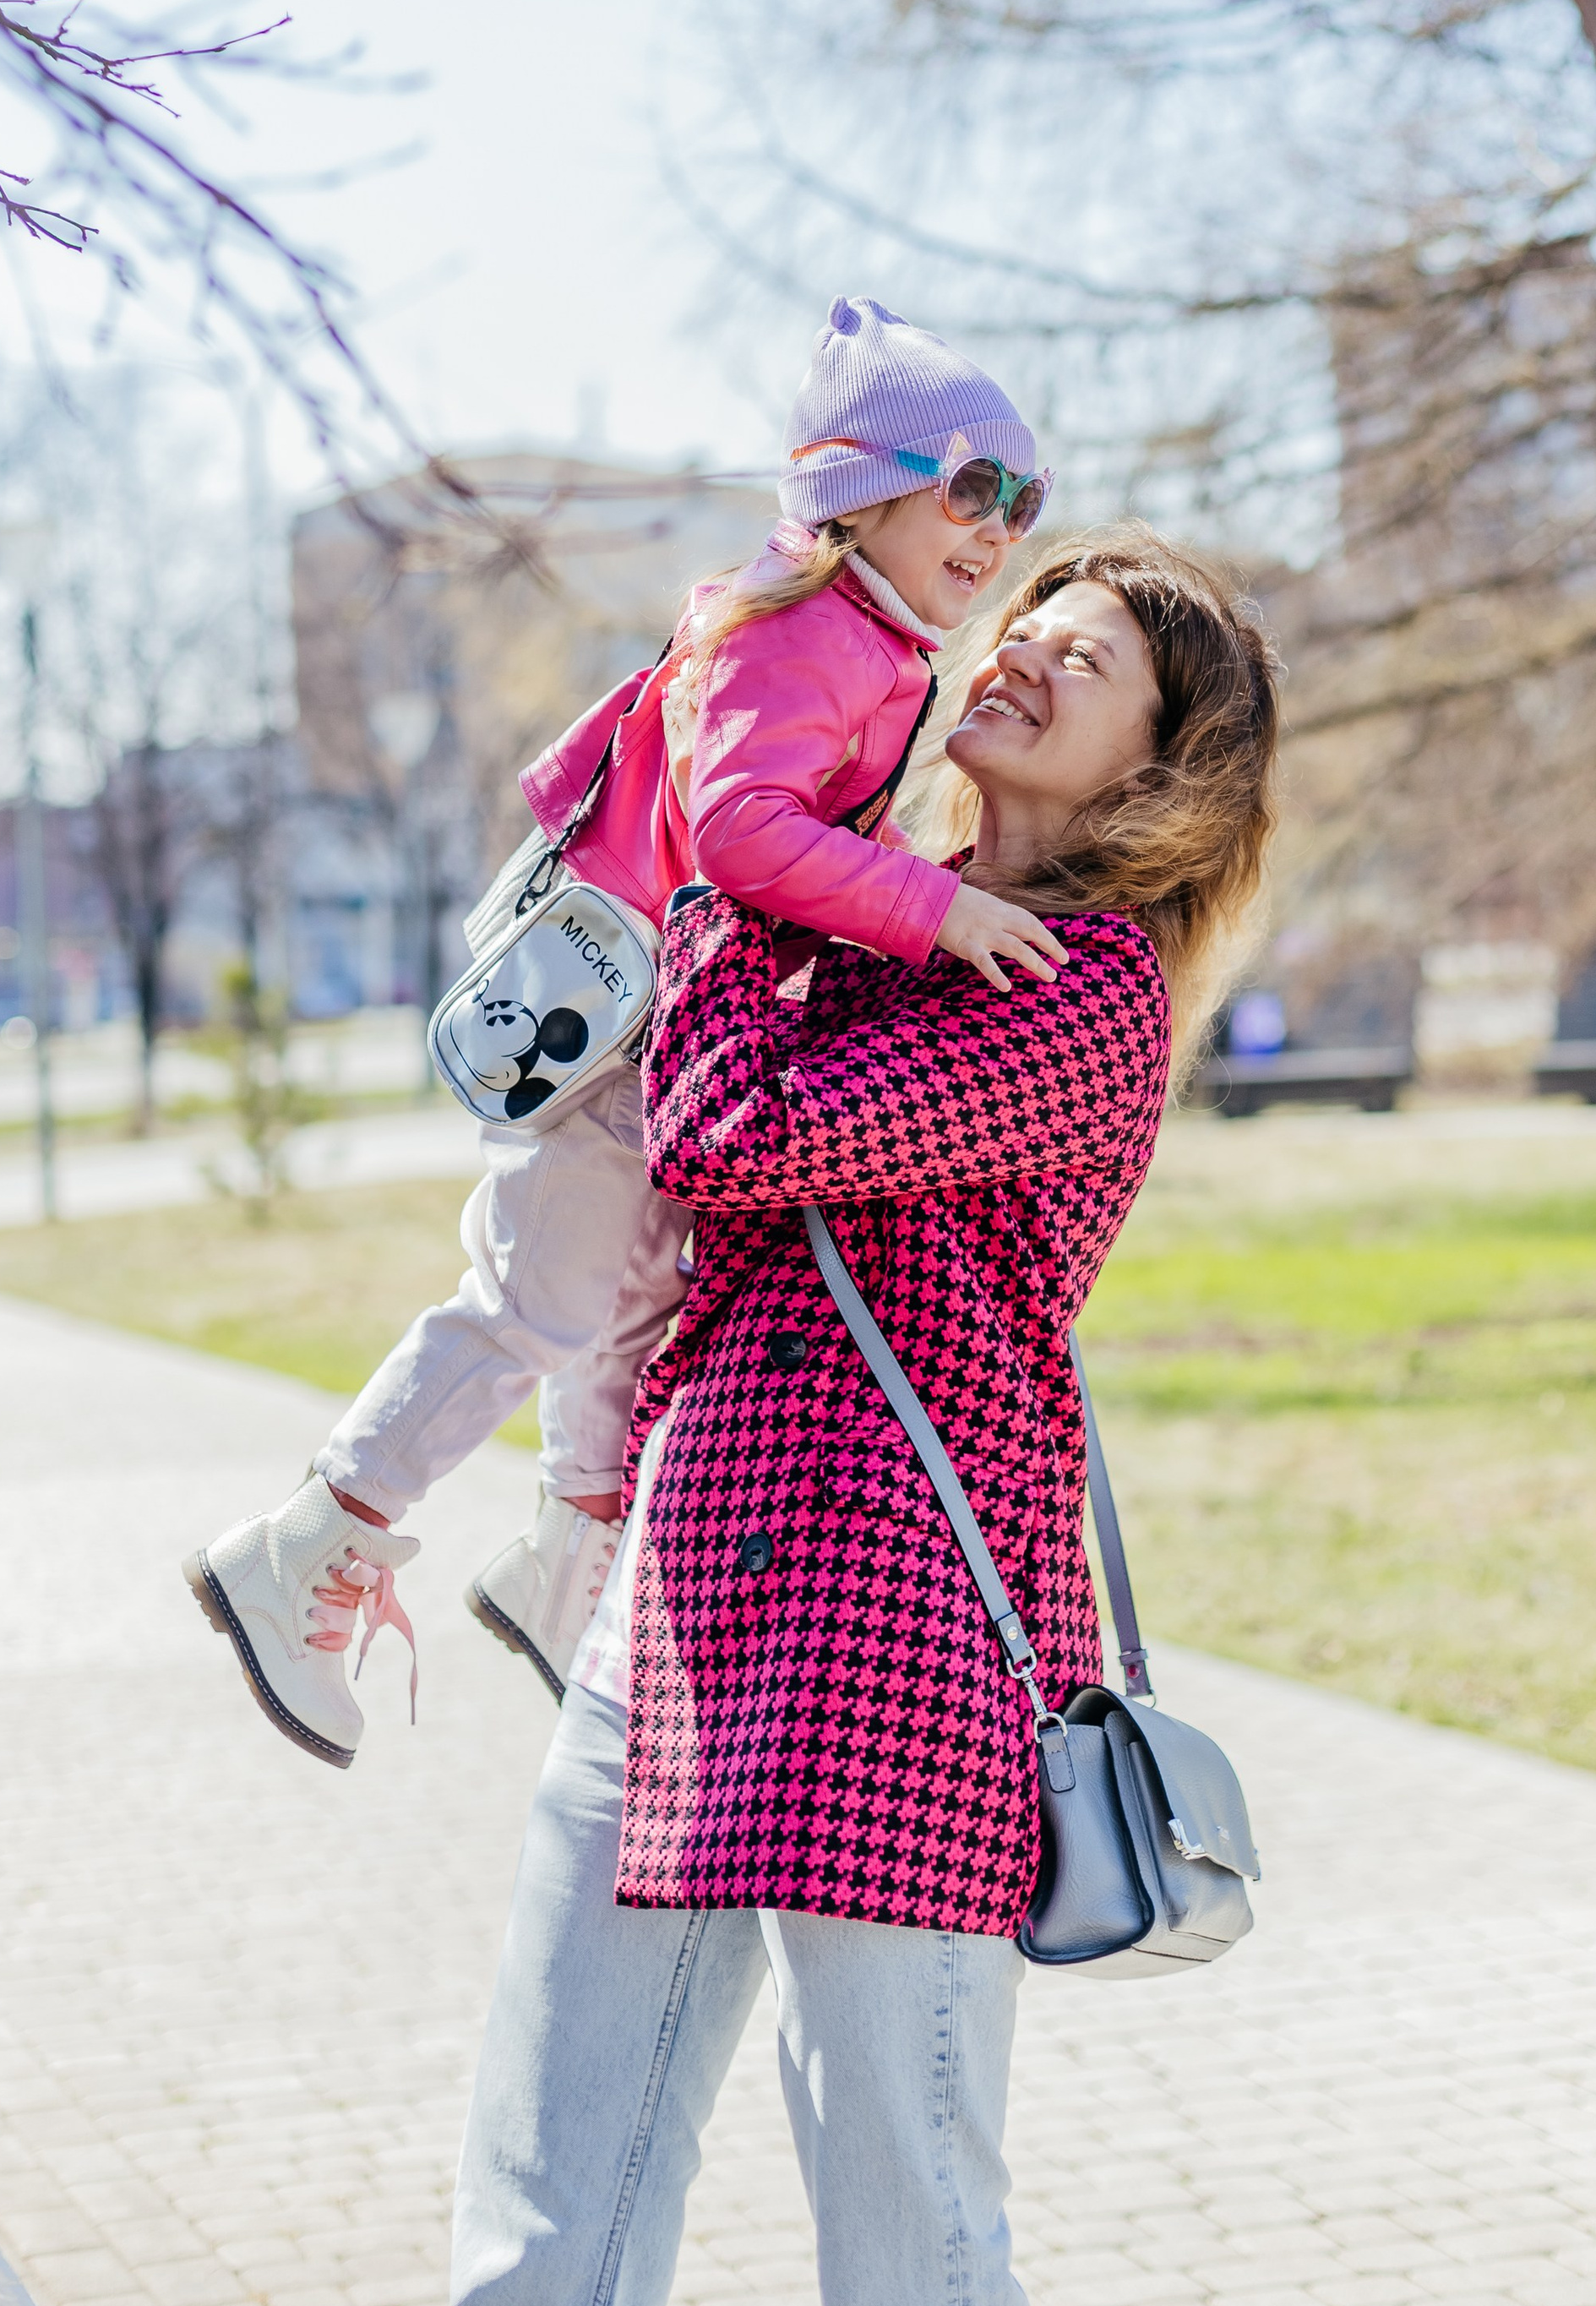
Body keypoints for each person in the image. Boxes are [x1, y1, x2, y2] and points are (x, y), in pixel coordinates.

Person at [449, 529, 1279, 2306]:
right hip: (675, 1621)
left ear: (1158, 764)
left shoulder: (1084, 989)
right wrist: (767, 850)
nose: (1024, 654)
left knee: (908, 2230)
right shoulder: (862, 909)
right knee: (543, 2184)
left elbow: (731, 1133)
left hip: (900, 1644)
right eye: (1024, 622)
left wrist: (721, 838)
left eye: (1088, 657)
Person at [185, 297, 1066, 1767]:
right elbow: (738, 828)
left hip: (655, 1035)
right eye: (974, 488)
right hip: (618, 1026)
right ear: (866, 487)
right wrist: (929, 906)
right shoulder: (804, 631)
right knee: (530, 1304)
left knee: (630, 1307)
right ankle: (311, 1542)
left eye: (1023, 503)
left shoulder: (864, 639)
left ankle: (562, 1563)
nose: (1000, 528)